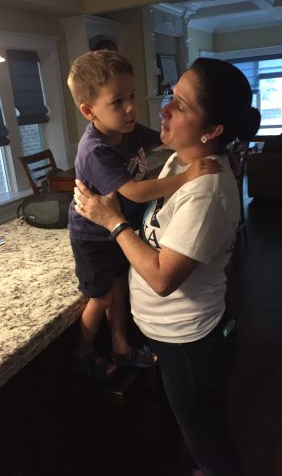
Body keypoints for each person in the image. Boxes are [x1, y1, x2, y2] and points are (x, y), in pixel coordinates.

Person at [73, 57, 260, 475]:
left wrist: (112, 221)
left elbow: (161, 278)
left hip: (190, 347)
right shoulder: (182, 159)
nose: (163, 108)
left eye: (180, 103)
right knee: (198, 427)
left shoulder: (206, 192)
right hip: (173, 340)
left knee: (209, 446)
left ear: (211, 131)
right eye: (170, 95)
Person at [67, 50, 221, 379]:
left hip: (117, 232)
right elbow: (134, 192)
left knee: (119, 288)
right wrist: (189, 174)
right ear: (88, 111)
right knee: (101, 297)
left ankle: (121, 348)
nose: (131, 107)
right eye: (118, 101)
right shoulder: (96, 149)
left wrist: (210, 143)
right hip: (93, 237)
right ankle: (81, 354)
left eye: (132, 95)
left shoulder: (128, 130)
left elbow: (166, 141)